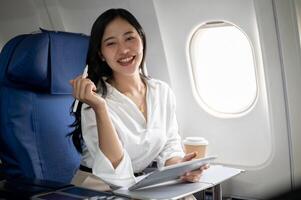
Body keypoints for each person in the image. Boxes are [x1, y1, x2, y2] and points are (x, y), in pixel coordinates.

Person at [69, 8, 208, 192]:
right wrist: (100, 108)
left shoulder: (162, 92)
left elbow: (169, 146)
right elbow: (114, 174)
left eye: (129, 38)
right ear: (101, 54)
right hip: (98, 188)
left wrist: (181, 167)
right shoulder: (94, 101)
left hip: (139, 185)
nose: (124, 50)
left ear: (141, 39)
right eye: (111, 43)